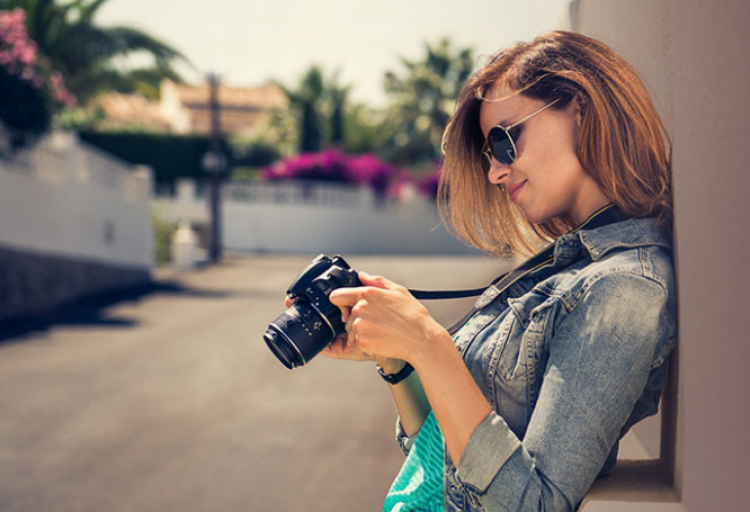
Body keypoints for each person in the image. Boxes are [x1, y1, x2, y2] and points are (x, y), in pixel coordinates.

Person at [288, 30, 676, 511]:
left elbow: (534, 504)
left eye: (504, 141)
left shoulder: (623, 289)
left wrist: (429, 345)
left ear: (579, 108)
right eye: (490, 154)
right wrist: (397, 359)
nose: (494, 171)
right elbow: (441, 457)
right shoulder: (565, 267)